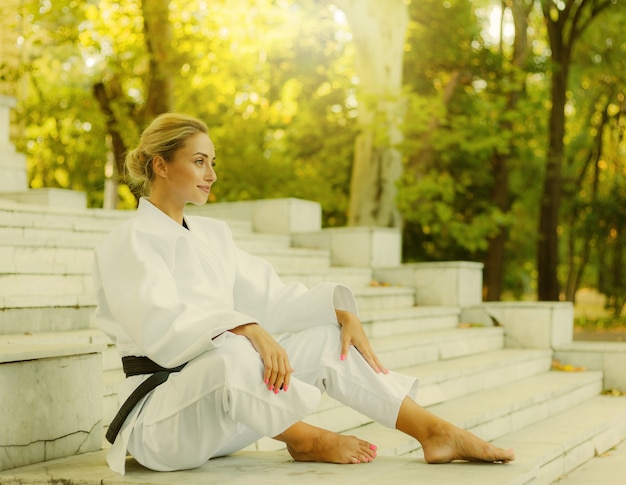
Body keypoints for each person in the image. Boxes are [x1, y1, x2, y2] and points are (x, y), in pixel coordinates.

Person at [93, 113, 515, 475]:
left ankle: (434, 432)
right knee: (234, 353)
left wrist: (337, 311)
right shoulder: (128, 241)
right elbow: (160, 327)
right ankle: (303, 437)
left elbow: (273, 296)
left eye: (213, 163)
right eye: (199, 161)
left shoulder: (212, 236)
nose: (211, 175)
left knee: (327, 339)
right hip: (164, 423)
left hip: (226, 422)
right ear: (161, 165)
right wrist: (247, 328)